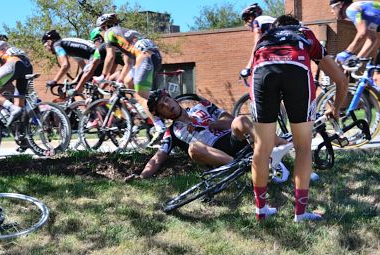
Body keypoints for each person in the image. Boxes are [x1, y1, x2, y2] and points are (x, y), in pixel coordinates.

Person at [249, 14, 348, 222]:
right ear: (296, 26)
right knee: (303, 147)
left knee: (262, 147)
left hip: (262, 71)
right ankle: (300, 213)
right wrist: (336, 108)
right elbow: (340, 79)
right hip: (297, 70)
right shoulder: (304, 33)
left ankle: (261, 210)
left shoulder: (265, 38)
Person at [128, 90, 288, 180]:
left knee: (241, 120)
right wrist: (142, 176)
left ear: (173, 99)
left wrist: (213, 123)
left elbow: (229, 119)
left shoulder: (201, 107)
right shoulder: (171, 133)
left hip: (231, 139)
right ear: (162, 115)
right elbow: (157, 158)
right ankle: (238, 167)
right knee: (193, 148)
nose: (167, 105)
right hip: (216, 154)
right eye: (162, 106)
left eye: (166, 100)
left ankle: (279, 148)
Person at [93, 13, 165, 146]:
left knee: (140, 93)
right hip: (153, 56)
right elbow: (128, 64)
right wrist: (119, 82)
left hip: (145, 57)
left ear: (104, 26)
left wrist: (103, 76)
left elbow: (110, 57)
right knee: (128, 81)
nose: (102, 34)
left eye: (100, 30)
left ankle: (160, 127)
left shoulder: (109, 32)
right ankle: (146, 109)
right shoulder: (124, 33)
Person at [42, 30, 99, 96]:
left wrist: (54, 81)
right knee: (85, 87)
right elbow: (83, 68)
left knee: (77, 89)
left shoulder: (57, 44)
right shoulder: (71, 49)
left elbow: (65, 65)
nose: (47, 50)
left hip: (95, 55)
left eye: (45, 46)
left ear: (49, 41)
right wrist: (73, 82)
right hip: (98, 54)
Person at [330, 1, 380, 68]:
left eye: (332, 8)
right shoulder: (367, 15)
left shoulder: (351, 9)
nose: (331, 11)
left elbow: (362, 33)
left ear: (340, 4)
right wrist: (357, 59)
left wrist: (347, 52)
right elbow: (372, 39)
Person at [240, 3, 276, 78]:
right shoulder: (273, 19)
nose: (245, 25)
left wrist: (248, 67)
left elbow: (257, 45)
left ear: (250, 18)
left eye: (246, 21)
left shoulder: (257, 21)